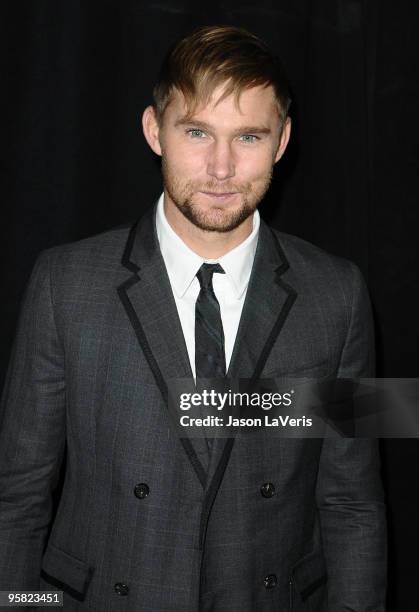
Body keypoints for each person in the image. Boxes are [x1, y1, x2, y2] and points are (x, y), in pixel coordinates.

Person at [0, 25, 387, 611]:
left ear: (282, 141)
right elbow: (17, 498)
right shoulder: (64, 282)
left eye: (249, 136)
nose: (222, 168)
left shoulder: (340, 292)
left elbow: (353, 503)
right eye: (198, 132)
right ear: (155, 130)